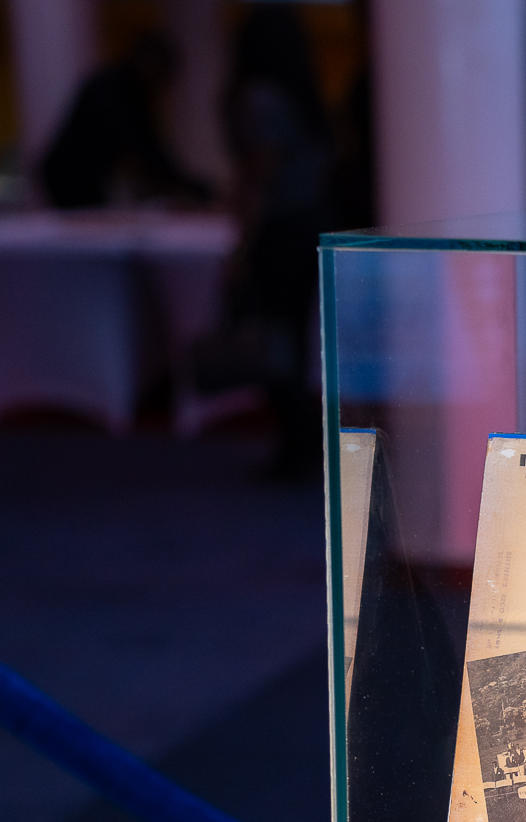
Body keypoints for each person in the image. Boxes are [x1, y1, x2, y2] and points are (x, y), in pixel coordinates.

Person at [218, 6, 333, 480]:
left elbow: (261, 169)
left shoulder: (258, 96)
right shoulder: (302, 94)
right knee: (293, 337)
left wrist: (242, 238)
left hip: (279, 228)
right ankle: (302, 443)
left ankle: (297, 443)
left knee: (273, 335)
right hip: (310, 223)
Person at [39, 30, 211, 210]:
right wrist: (186, 184)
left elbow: (144, 145)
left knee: (92, 215)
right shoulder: (118, 90)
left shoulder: (119, 85)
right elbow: (143, 144)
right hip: (71, 171)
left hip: (77, 171)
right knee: (89, 218)